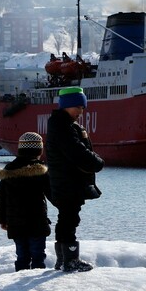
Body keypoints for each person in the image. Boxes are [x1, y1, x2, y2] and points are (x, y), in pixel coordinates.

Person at [45, 86, 104, 273]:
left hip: (65, 180)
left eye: (82, 107)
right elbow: (76, 151)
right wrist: (97, 162)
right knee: (69, 219)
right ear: (67, 105)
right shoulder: (63, 127)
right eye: (78, 106)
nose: (81, 111)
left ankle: (63, 259)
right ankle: (70, 260)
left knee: (67, 218)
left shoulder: (62, 125)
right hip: (67, 181)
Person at [0, 132, 52, 271]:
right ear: (39, 150)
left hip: (15, 223)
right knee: (38, 256)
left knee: (22, 256)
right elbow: (52, 194)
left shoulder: (8, 171)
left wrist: (2, 220)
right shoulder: (41, 171)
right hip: (37, 221)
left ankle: (20, 282)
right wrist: (66, 205)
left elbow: (1, 198)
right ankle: (34, 285)